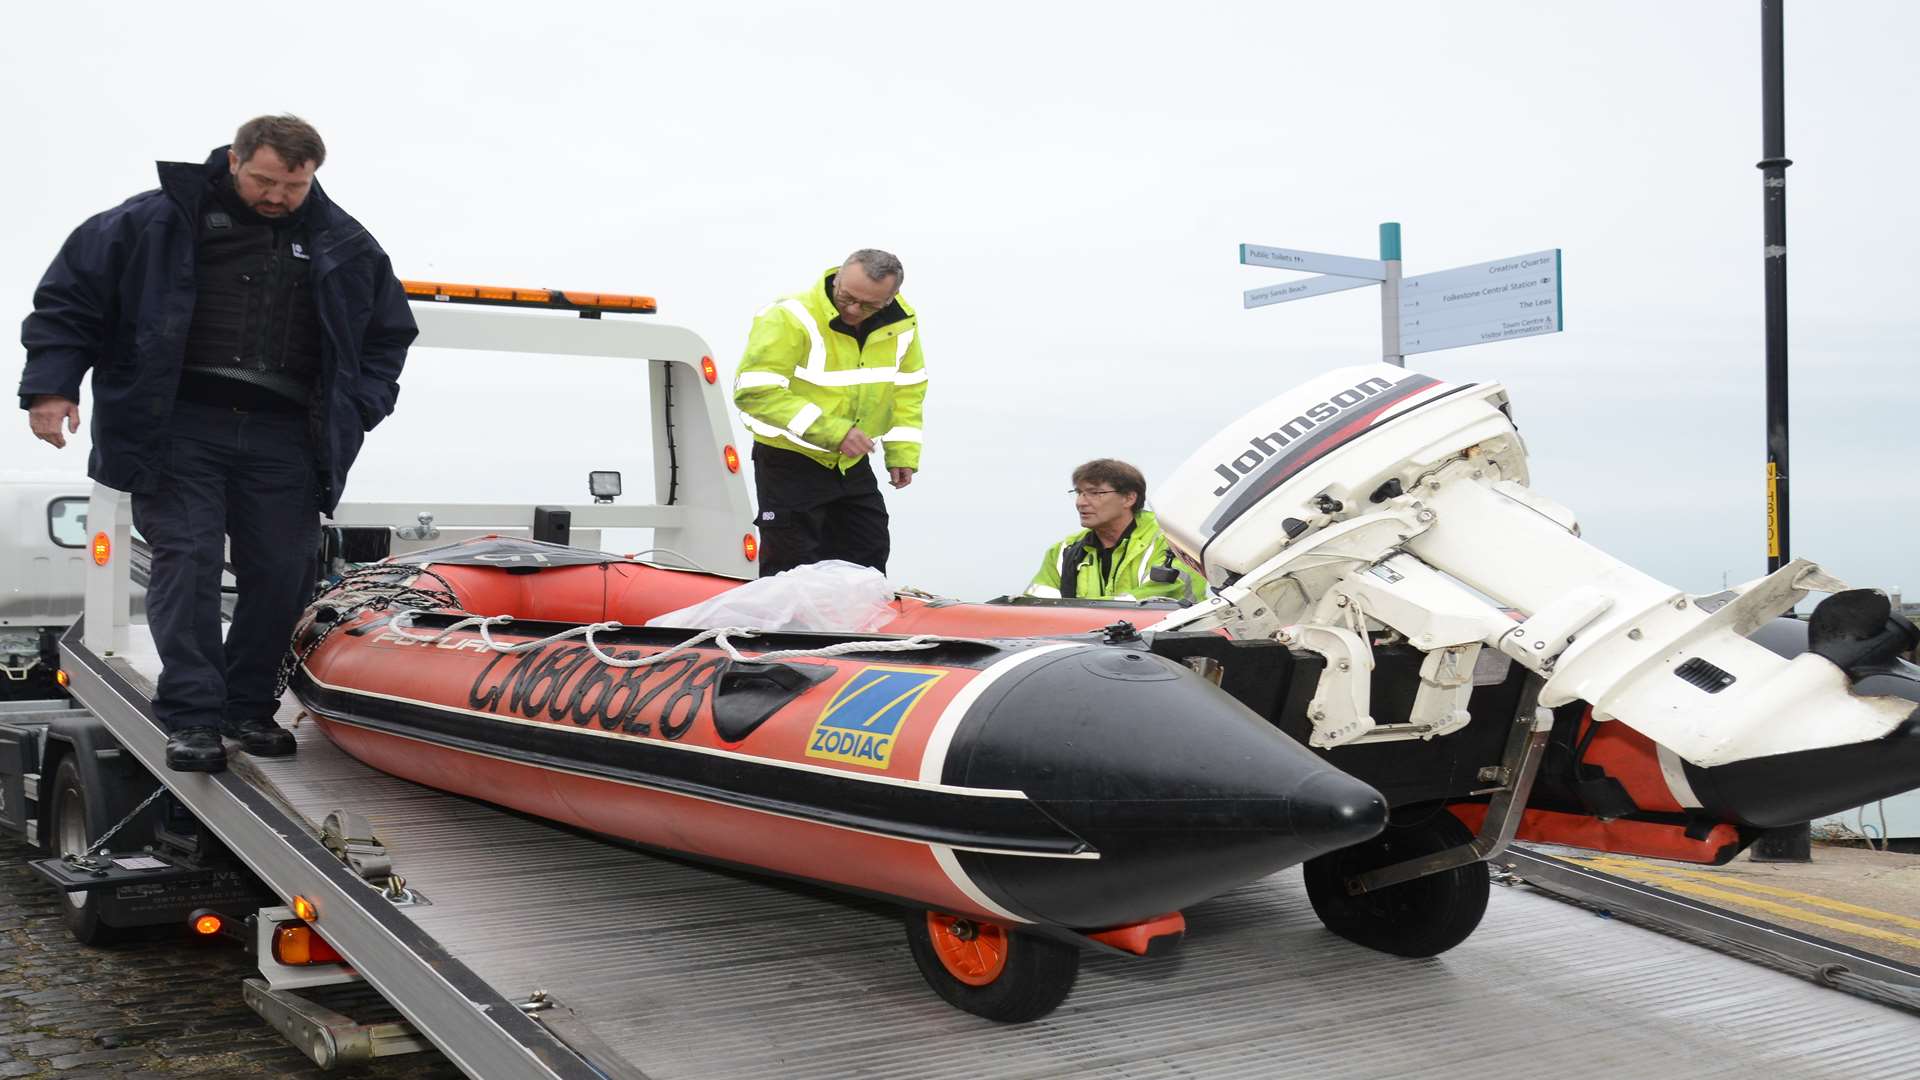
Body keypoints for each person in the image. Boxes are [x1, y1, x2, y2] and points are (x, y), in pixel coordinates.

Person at [19, 115, 416, 772]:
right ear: (234, 159)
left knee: (286, 573)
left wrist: (363, 406)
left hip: (286, 435)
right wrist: (50, 388)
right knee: (190, 561)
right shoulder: (154, 220)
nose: (276, 196)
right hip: (178, 424)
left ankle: (247, 705)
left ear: (312, 175)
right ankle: (193, 717)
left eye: (292, 184)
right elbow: (69, 300)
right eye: (263, 179)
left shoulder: (345, 244)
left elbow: (386, 337)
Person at [733, 250, 926, 577]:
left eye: (868, 306)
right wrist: (834, 432)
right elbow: (754, 392)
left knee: (869, 555)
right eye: (846, 296)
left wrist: (902, 453)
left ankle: (855, 628)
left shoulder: (902, 325)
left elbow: (908, 390)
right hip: (788, 461)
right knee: (791, 568)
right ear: (836, 279)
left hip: (851, 464)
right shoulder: (789, 317)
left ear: (890, 300)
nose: (852, 310)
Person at [1026, 459, 1207, 603]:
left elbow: (1162, 599)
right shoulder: (1063, 551)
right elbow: (1034, 608)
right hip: (1091, 646)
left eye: (1095, 493)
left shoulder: (1171, 541)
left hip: (1166, 646)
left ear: (1129, 498)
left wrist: (1082, 612)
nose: (1081, 502)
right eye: (1079, 492)